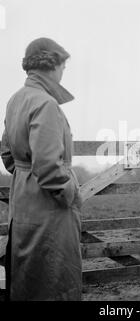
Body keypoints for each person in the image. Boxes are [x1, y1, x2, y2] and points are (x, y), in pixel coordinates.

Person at [0, 38, 82, 301]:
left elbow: (6, 153)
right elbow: (48, 168)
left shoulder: (17, 99)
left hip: (23, 204)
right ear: (52, 64)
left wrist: (24, 176)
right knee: (53, 282)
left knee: (27, 281)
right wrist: (70, 193)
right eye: (63, 66)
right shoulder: (45, 104)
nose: (63, 72)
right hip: (50, 210)